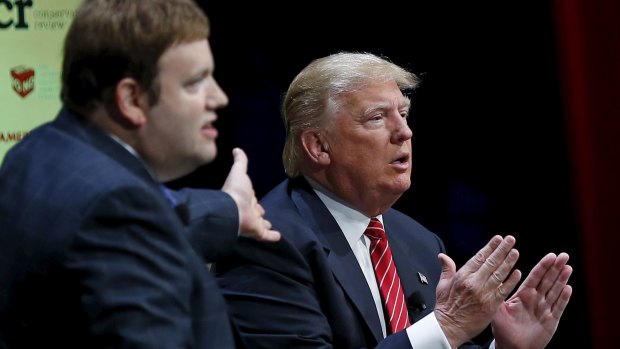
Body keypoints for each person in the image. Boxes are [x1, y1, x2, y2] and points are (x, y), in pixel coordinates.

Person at [214, 52, 573, 349]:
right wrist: (446, 326)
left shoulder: (418, 242)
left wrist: (506, 348)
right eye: (377, 118)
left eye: (403, 114)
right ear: (319, 146)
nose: (405, 132)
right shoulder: (268, 241)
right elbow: (437, 337)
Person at [0, 0, 279, 348]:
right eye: (195, 82)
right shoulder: (116, 208)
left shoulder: (37, 151)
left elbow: (142, 217)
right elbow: (125, 218)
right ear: (131, 99)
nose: (219, 97)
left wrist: (230, 208)